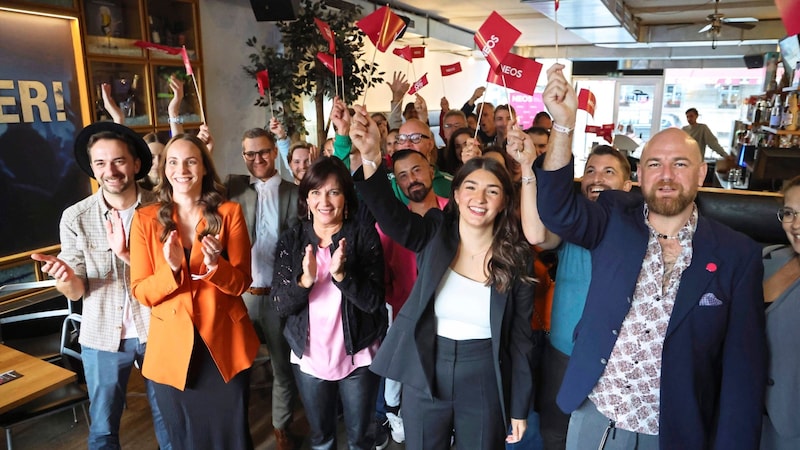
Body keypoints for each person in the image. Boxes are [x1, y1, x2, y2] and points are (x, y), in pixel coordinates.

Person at [534, 64, 766, 449]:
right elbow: (556, 209)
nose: (667, 175)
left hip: (673, 432)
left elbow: (743, 371)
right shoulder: (613, 219)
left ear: (701, 175)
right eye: (655, 164)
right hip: (594, 416)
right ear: (639, 175)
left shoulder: (736, 255)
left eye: (680, 164)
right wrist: (562, 125)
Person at [349, 104, 535, 449]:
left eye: (492, 191)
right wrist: (372, 157)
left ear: (503, 201)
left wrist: (519, 406)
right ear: (457, 194)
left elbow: (521, 340)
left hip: (483, 375)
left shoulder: (516, 257)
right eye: (471, 188)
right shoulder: (436, 231)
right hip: (425, 366)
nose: (479, 198)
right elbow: (394, 221)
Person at [31, 122, 170, 450]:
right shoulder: (75, 217)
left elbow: (170, 276)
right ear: (92, 168)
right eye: (101, 163)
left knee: (171, 418)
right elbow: (78, 291)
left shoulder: (161, 209)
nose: (111, 170)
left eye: (119, 161)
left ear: (136, 163)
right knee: (104, 426)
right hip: (101, 336)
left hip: (158, 328)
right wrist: (65, 279)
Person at [129, 134, 260, 448]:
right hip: (172, 352)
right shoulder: (145, 219)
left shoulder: (229, 213)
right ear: (164, 169)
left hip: (224, 346)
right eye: (172, 161)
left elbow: (242, 282)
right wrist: (172, 269)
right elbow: (141, 292)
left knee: (233, 438)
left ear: (204, 168)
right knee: (186, 439)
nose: (181, 169)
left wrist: (216, 265)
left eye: (191, 161)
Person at [511, 135, 634, 450]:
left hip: (616, 356)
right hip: (563, 351)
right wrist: (527, 167)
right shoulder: (572, 219)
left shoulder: (639, 226)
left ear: (627, 185)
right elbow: (537, 233)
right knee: (555, 433)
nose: (597, 178)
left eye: (609, 172)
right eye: (591, 170)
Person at [271, 156, 387, 450]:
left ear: (346, 197)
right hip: (309, 356)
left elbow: (374, 302)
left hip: (358, 355)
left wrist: (342, 276)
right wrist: (304, 282)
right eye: (315, 192)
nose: (324, 200)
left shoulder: (362, 236)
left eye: (333, 191)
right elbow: (281, 305)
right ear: (306, 199)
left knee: (360, 439)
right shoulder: (292, 240)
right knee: (322, 439)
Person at [225, 128, 301, 450]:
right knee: (236, 368)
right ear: (243, 156)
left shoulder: (295, 193)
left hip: (277, 296)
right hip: (239, 295)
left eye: (264, 152)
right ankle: (236, 432)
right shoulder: (233, 187)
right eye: (250, 154)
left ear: (275, 151)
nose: (257, 159)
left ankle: (281, 429)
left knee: (282, 367)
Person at [761, 175, 800, 450]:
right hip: (743, 416)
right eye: (789, 213)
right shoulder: (766, 257)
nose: (796, 225)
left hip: (791, 424)